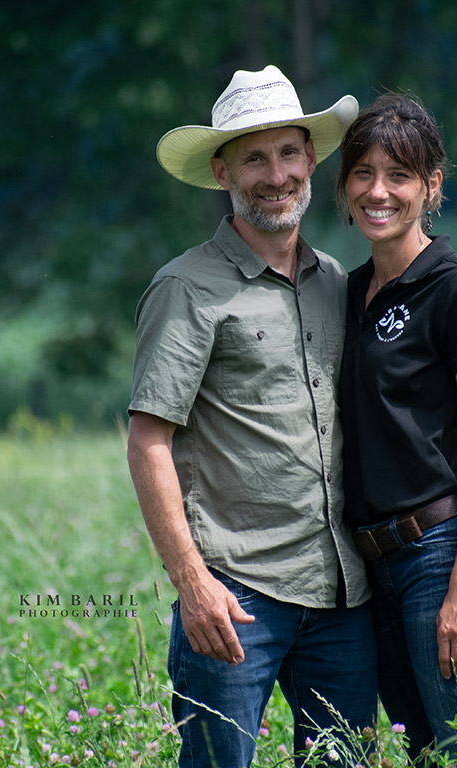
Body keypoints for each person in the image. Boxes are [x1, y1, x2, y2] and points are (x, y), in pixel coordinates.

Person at [127, 65, 376, 768]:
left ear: (311, 159)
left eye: (289, 153)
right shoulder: (187, 287)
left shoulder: (335, 281)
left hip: (342, 593)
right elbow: (148, 443)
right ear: (223, 170)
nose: (276, 174)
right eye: (254, 157)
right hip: (235, 594)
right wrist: (192, 583)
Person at [336, 92, 457, 766]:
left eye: (399, 176)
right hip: (374, 570)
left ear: (432, 186)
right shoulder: (346, 292)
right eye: (362, 173)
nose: (377, 191)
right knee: (427, 757)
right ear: (343, 185)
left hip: (445, 556)